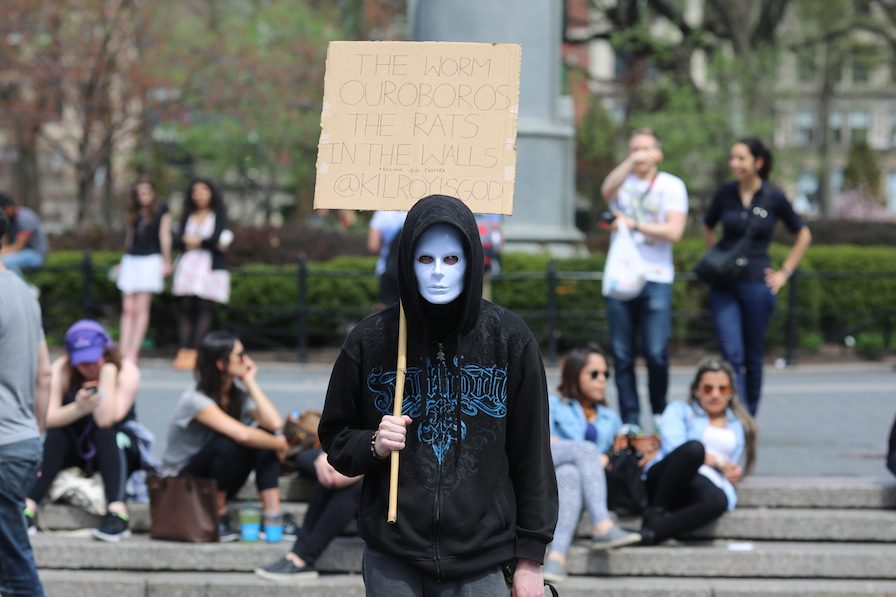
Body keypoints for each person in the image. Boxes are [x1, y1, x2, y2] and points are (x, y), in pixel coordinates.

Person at [318, 195, 558, 596]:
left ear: (471, 261)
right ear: (406, 262)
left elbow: (532, 452)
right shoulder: (371, 340)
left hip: (484, 554)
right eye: (425, 260)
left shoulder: (509, 338)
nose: (438, 274)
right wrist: (373, 443)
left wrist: (531, 557)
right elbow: (335, 438)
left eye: (451, 260)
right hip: (394, 554)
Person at [702, 138, 812, 416]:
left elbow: (803, 234)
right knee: (731, 353)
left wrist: (785, 273)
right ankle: (733, 413)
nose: (734, 164)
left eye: (741, 158)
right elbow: (707, 225)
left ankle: (748, 416)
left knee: (752, 357)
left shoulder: (773, 197)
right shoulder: (725, 193)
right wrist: (717, 257)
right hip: (725, 285)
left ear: (758, 162)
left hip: (757, 284)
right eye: (732, 158)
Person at [160, 331, 297, 542]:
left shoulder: (237, 394)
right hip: (181, 483)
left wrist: (250, 381)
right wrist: (278, 443)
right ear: (221, 364)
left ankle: (273, 517)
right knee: (228, 443)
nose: (247, 360)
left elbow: (274, 423)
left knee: (263, 437)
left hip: (216, 480)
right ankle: (218, 516)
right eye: (240, 355)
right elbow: (240, 434)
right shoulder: (195, 399)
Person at [25, 320, 146, 542]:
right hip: (78, 450)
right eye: (82, 363)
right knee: (57, 435)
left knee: (107, 435)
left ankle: (118, 512)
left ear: (106, 351)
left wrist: (107, 375)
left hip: (116, 449)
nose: (90, 367)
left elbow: (106, 419)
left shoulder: (126, 371)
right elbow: (47, 420)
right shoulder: (61, 369)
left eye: (94, 359)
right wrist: (78, 408)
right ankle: (29, 505)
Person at [600, 128, 688, 428]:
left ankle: (660, 412)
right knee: (622, 354)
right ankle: (631, 419)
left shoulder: (671, 186)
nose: (640, 154)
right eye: (635, 149)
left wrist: (634, 224)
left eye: (646, 149)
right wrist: (631, 162)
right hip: (621, 279)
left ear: (658, 153)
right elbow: (606, 190)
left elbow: (673, 231)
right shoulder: (622, 184)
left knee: (655, 352)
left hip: (656, 277)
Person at [543, 343, 640, 584]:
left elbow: (616, 448)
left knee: (570, 474)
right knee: (584, 450)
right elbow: (541, 436)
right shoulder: (555, 404)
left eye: (606, 374)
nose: (602, 380)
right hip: (545, 462)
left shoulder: (611, 417)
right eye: (594, 374)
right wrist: (591, 454)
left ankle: (556, 556)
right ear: (575, 375)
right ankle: (602, 525)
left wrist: (608, 455)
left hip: (572, 476)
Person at [638, 357, 757, 546]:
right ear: (696, 390)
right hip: (667, 478)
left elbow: (730, 462)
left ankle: (651, 533)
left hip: (705, 484)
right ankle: (655, 512)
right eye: (708, 388)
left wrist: (735, 471)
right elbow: (675, 448)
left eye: (722, 389)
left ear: (731, 392)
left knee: (719, 501)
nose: (715, 394)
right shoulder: (680, 411)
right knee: (694, 449)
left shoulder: (738, 425)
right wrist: (718, 460)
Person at [0, 208, 51, 597]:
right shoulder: (23, 292)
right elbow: (45, 374)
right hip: (21, 442)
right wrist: (37, 437)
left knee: (15, 569)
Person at [255, 446, 363, 581]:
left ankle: (304, 556)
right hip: (361, 453)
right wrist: (326, 457)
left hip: (383, 472)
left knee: (351, 487)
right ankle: (299, 552)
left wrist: (360, 470)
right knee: (324, 471)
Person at [171, 178, 231, 371]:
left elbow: (214, 241)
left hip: (208, 267)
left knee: (204, 308)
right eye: (195, 191)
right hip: (188, 266)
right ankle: (184, 350)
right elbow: (178, 242)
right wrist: (200, 241)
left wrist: (193, 240)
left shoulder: (218, 214)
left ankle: (196, 351)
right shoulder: (187, 214)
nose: (199, 195)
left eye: (203, 190)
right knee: (186, 308)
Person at [117, 178, 172, 364]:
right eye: (139, 192)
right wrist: (123, 261)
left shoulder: (162, 209)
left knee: (141, 309)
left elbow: (165, 236)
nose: (143, 196)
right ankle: (123, 349)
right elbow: (130, 236)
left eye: (146, 192)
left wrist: (167, 261)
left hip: (151, 260)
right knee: (127, 309)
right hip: (132, 260)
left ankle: (133, 351)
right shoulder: (133, 210)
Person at [0, 193, 48, 278]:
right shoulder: (5, 220)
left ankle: (26, 289)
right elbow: (3, 246)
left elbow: (18, 247)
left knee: (4, 261)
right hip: (21, 254)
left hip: (35, 254)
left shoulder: (25, 217)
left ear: (9, 206)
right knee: (5, 263)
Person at [368, 210, 407, 307]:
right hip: (409, 271)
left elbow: (373, 246)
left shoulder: (382, 214)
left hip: (387, 270)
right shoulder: (415, 211)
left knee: (389, 313)